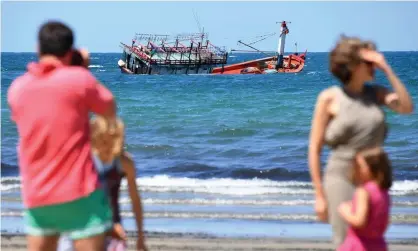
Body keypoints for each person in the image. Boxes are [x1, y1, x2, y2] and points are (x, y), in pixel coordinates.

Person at [7, 21, 117, 251]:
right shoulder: (79, 80)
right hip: (80, 191)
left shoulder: (17, 88)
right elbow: (108, 108)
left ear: (38, 49)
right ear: (70, 51)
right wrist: (82, 70)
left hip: (37, 193)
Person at [308, 35, 413, 246]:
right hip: (341, 177)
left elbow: (406, 107)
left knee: (373, 241)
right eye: (369, 62)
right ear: (354, 65)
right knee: (347, 242)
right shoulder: (330, 97)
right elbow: (315, 148)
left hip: (374, 180)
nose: (374, 65)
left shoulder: (377, 94)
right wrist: (319, 194)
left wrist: (386, 68)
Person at [338, 147, 392, 251]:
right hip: (378, 244)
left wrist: (345, 211)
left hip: (359, 244)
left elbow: (359, 221)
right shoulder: (384, 193)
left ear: (372, 168)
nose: (356, 169)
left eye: (360, 166)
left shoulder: (363, 191)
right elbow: (384, 221)